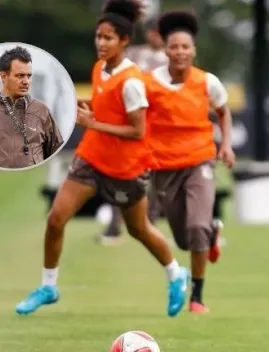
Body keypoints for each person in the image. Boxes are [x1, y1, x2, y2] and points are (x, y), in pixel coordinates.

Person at [15, 0, 189, 318]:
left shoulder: (133, 81)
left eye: (108, 38)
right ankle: (48, 286)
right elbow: (104, 108)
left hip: (126, 167)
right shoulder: (99, 68)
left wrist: (92, 123)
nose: (101, 42)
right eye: (99, 36)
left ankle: (176, 274)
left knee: (139, 230)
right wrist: (81, 109)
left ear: (124, 40)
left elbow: (137, 131)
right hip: (91, 158)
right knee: (56, 219)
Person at [144, 10, 235, 314]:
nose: (180, 52)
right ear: (165, 50)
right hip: (163, 168)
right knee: (184, 240)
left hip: (200, 162)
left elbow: (223, 112)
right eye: (174, 47)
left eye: (186, 47)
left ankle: (197, 298)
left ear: (193, 50)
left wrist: (227, 146)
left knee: (196, 228)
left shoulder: (207, 82)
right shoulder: (149, 83)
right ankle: (213, 232)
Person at [101, 16, 169, 245]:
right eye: (154, 32)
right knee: (119, 173)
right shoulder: (133, 55)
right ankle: (114, 225)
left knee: (157, 177)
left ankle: (149, 223)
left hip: (159, 125)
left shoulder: (173, 57)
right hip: (132, 121)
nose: (157, 37)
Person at [0, 46, 63, 169]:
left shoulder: (41, 110)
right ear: (3, 76)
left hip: (33, 181)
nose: (26, 81)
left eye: (29, 76)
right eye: (20, 76)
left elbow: (56, 150)